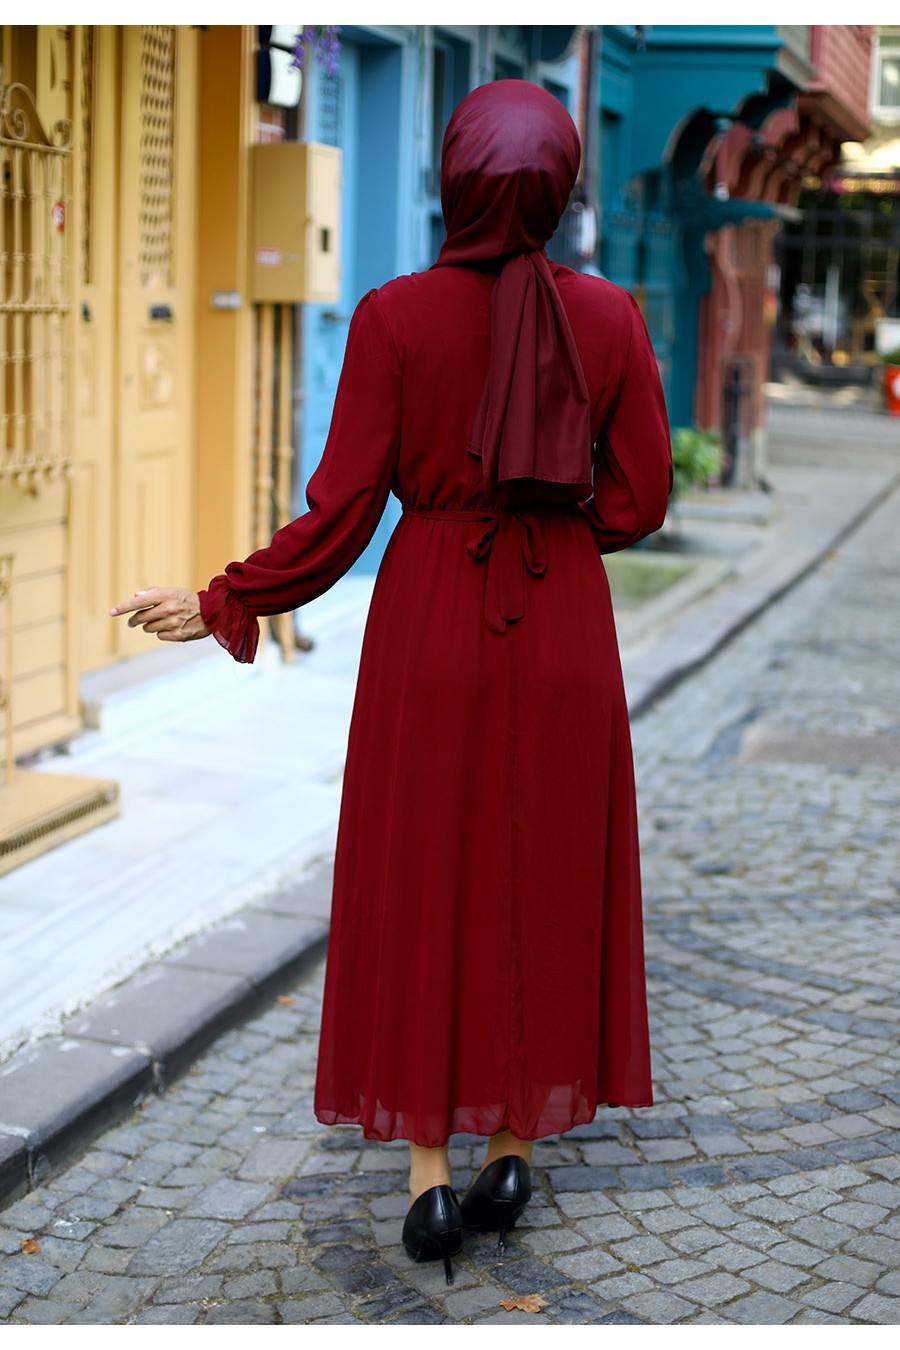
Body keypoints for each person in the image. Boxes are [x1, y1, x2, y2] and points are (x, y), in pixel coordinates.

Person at [111, 80, 672, 1285]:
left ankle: (427, 1180)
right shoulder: (613, 317)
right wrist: (555, 525)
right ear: (566, 186)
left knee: (430, 873)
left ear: (453, 181)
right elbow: (638, 500)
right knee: (546, 874)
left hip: (431, 623)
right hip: (562, 614)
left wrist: (231, 595)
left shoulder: (395, 317)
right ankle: (513, 1149)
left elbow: (344, 508)